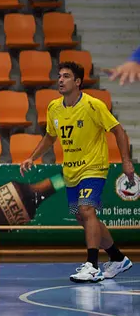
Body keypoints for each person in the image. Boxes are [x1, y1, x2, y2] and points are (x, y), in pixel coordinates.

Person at [20, 62, 135, 283]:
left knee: (87, 209)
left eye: (66, 76)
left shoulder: (93, 105)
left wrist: (126, 161)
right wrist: (32, 157)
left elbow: (118, 131)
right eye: (59, 76)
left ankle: (92, 265)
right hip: (71, 172)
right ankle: (118, 258)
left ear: (78, 82)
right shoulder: (54, 107)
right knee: (82, 216)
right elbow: (50, 137)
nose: (60, 80)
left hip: (94, 167)